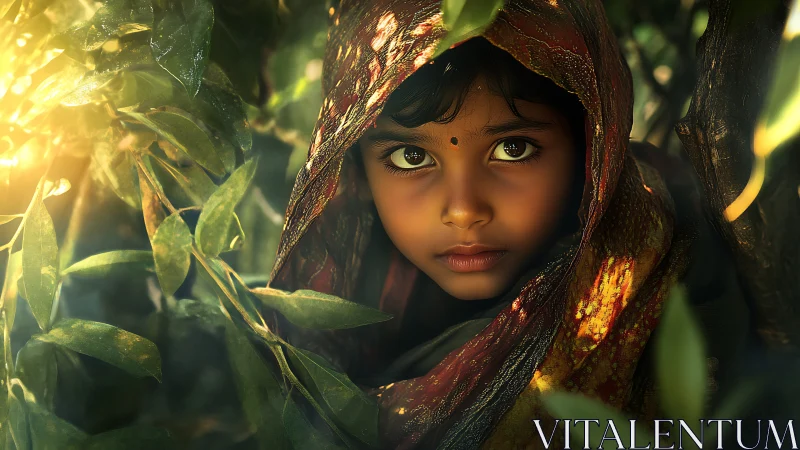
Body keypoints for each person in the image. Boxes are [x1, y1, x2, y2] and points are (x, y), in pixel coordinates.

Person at [267, 0, 751, 448]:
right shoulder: (310, 331)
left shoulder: (688, 297)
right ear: (351, 168)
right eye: (411, 157)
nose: (463, 210)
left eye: (512, 149)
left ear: (591, 147)